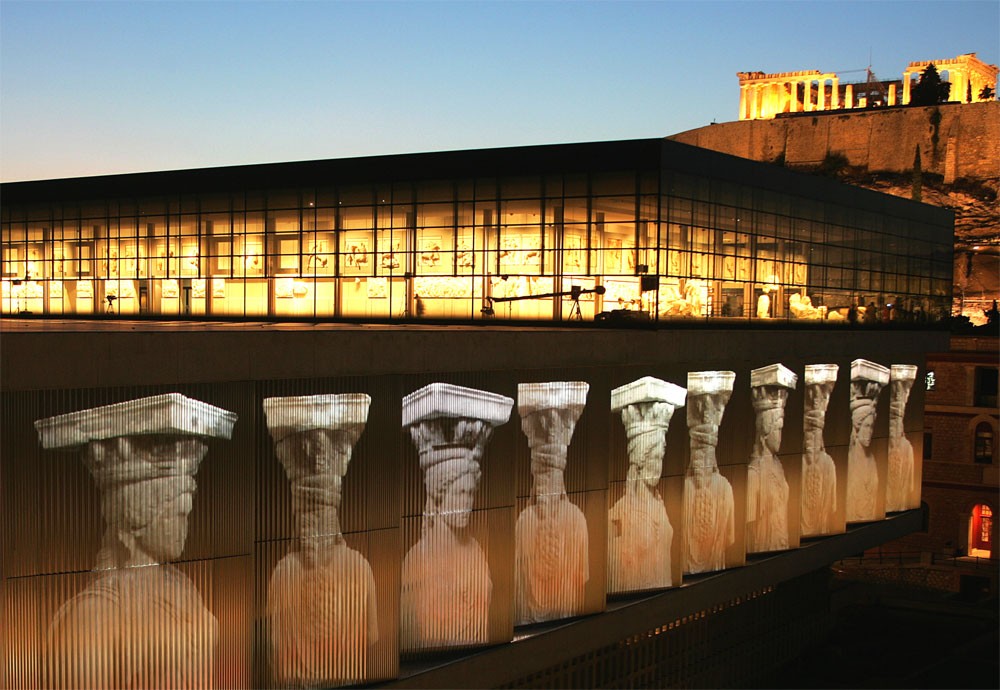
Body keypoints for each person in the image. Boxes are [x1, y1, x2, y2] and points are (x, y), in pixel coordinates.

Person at [47, 435, 219, 690]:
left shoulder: (183, 587)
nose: (185, 529)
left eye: (187, 515)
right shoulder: (94, 613)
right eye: (177, 515)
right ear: (138, 518)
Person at [264, 394, 377, 688]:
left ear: (334, 516)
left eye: (319, 514)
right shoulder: (283, 573)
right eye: (306, 515)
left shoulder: (360, 570)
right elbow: (277, 660)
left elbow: (369, 645)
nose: (311, 524)